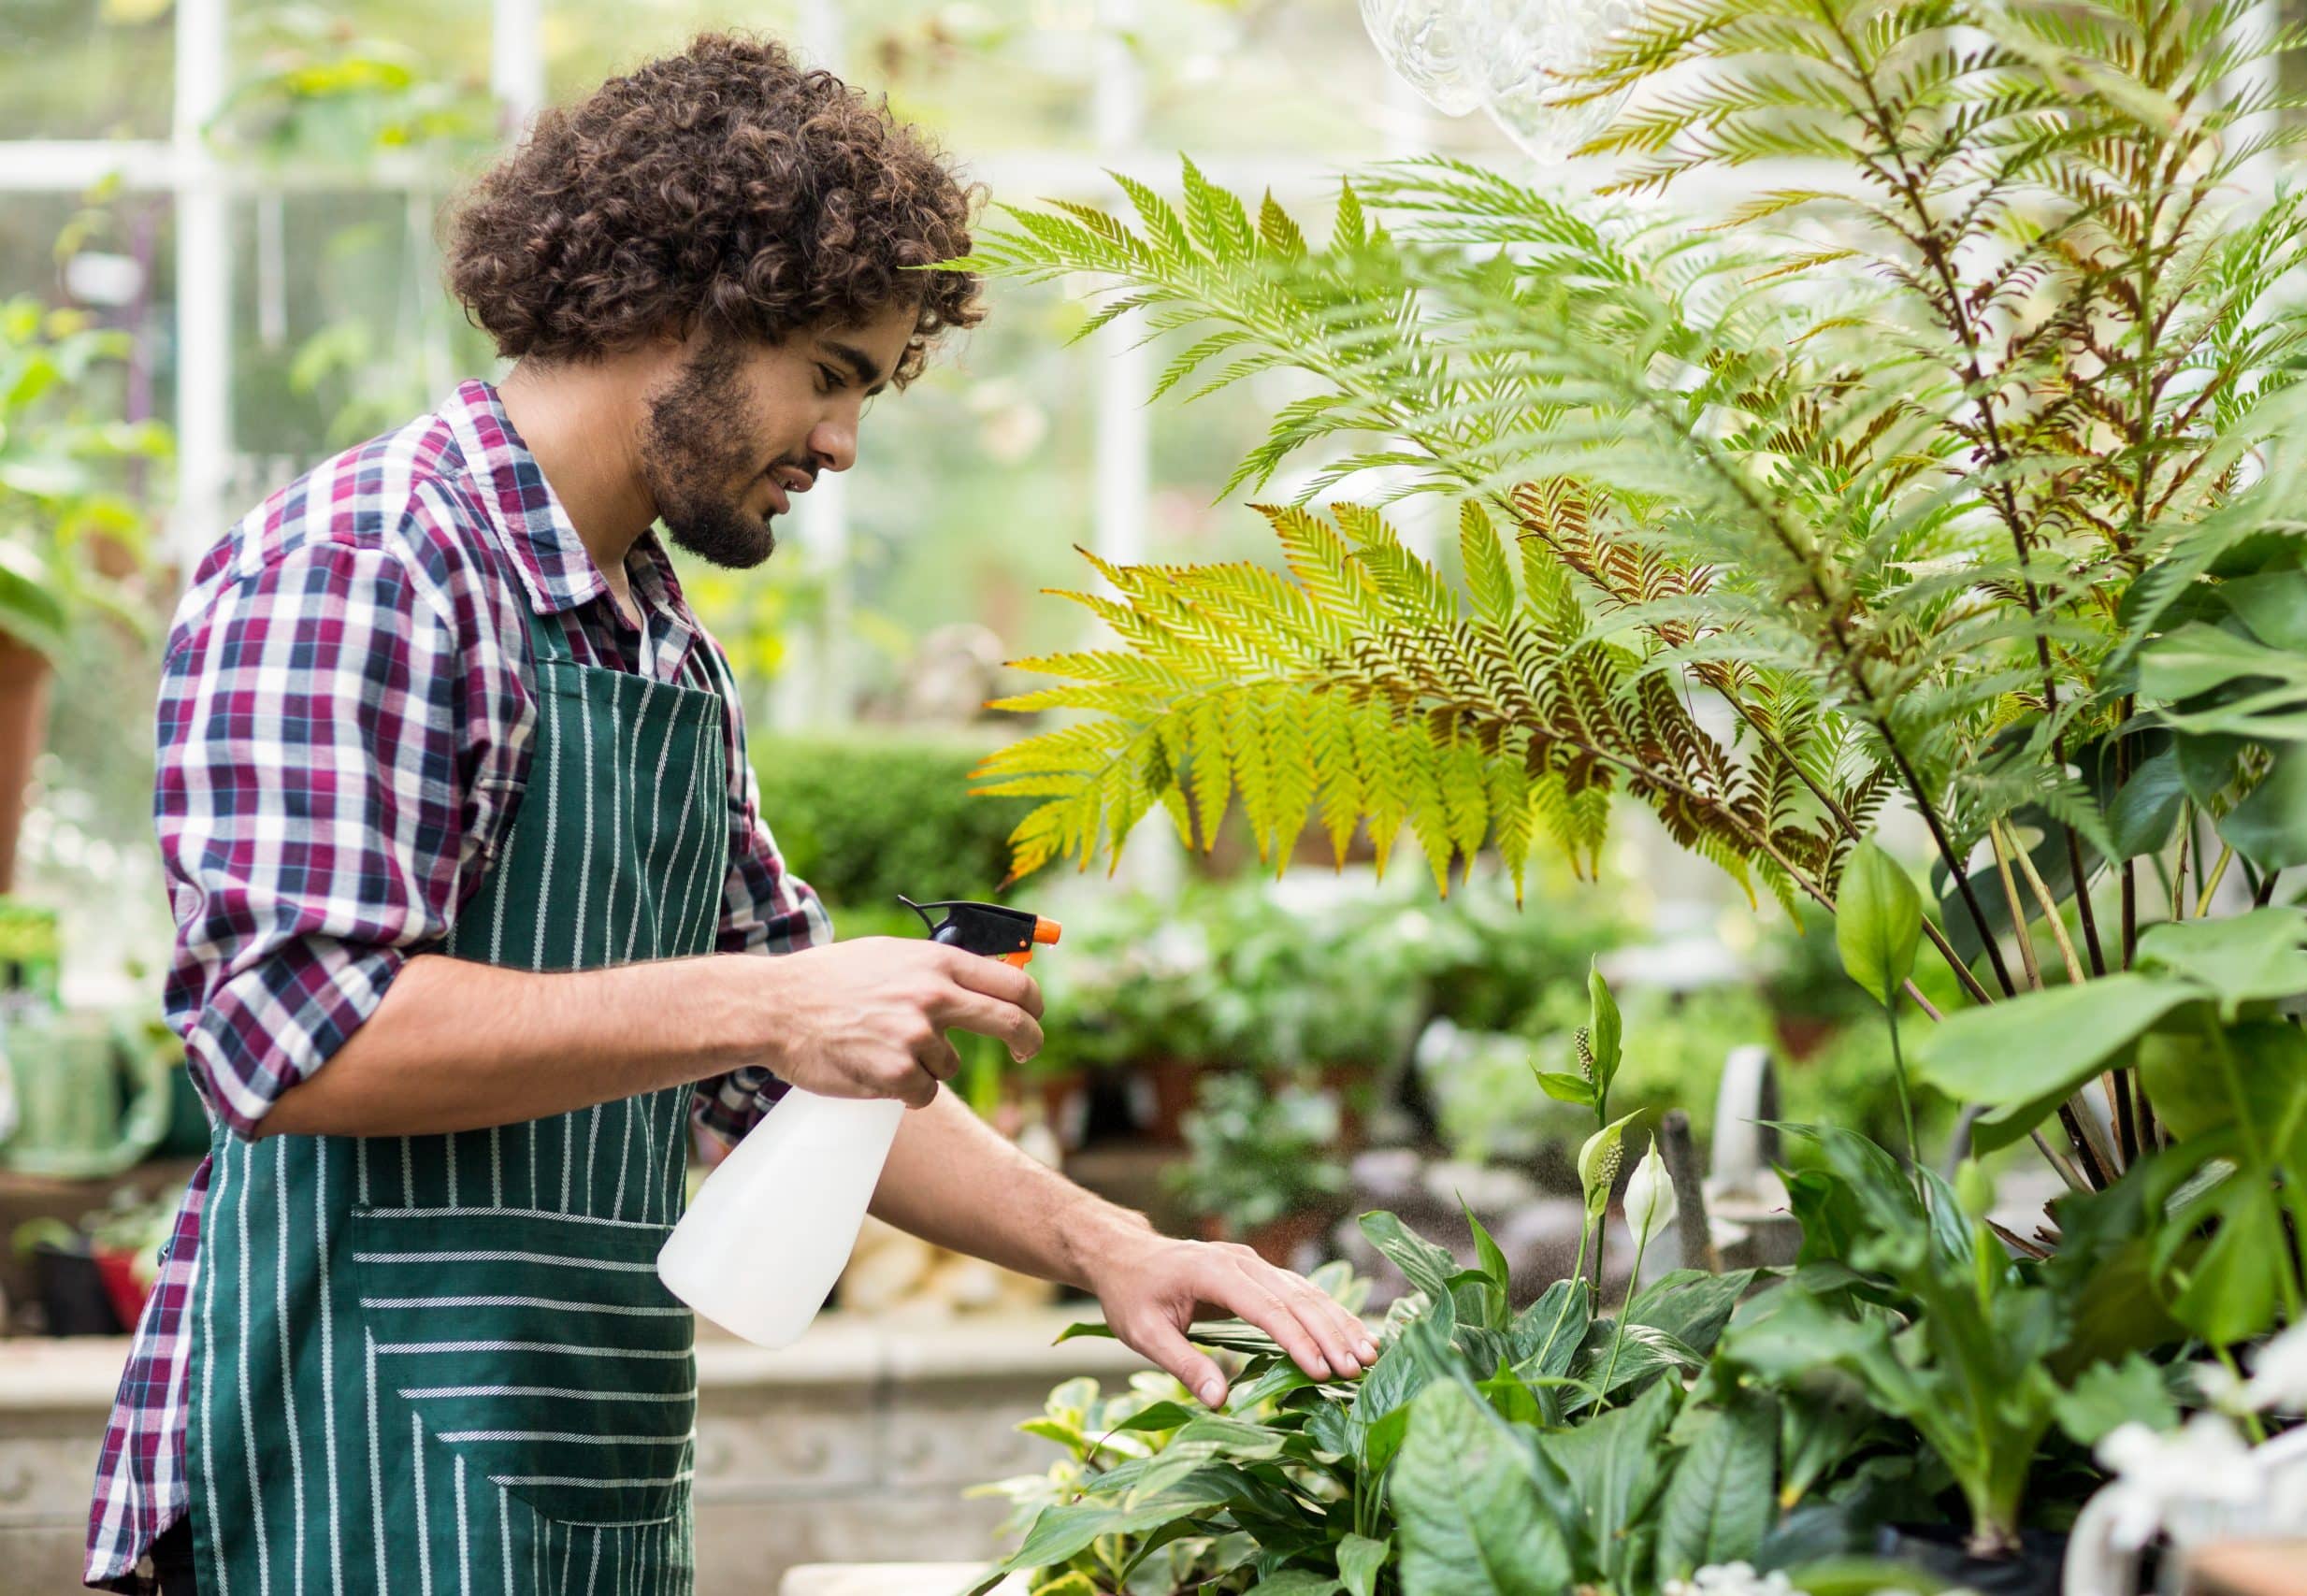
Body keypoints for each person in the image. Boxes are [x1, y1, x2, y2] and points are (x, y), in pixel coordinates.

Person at [86, 35, 1376, 1595]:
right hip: (331, 1482)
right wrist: (775, 1000)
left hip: (575, 1476)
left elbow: (789, 1083)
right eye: (831, 376)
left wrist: (1110, 1245)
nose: (842, 443)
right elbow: (288, 1035)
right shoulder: (369, 567)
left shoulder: (657, 644)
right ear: (672, 306)